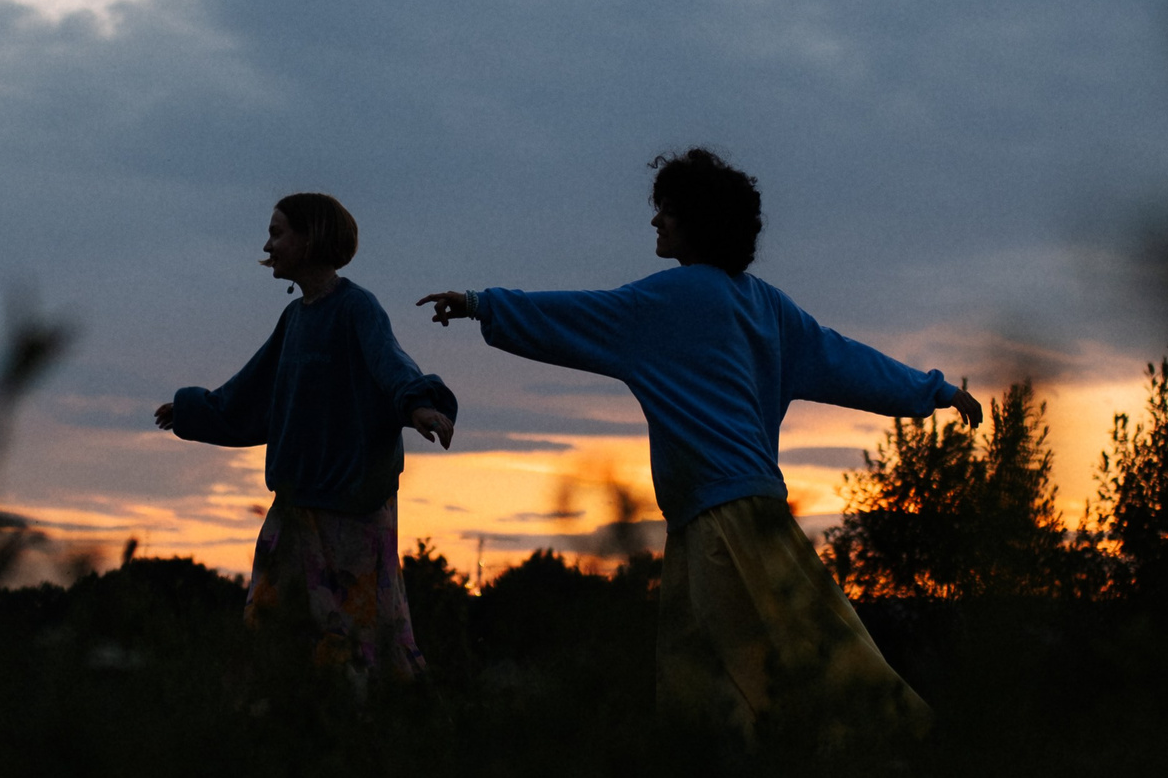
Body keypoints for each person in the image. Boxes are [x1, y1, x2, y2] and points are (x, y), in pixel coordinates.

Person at [421, 148, 982, 740]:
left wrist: (480, 304)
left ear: (698, 221)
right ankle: (781, 777)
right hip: (724, 520)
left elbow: (576, 316)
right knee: (748, 668)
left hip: (723, 523)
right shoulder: (767, 305)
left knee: (783, 667)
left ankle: (914, 751)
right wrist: (933, 390)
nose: (655, 221)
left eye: (666, 210)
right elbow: (847, 360)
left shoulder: (669, 301)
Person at [159, 192, 457, 684]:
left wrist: (419, 404)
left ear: (311, 238)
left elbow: (390, 364)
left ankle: (378, 722)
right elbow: (254, 390)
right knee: (275, 630)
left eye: (277, 233)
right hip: (295, 507)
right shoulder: (294, 319)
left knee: (359, 638)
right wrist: (194, 411)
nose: (267, 245)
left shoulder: (357, 308)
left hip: (352, 508)